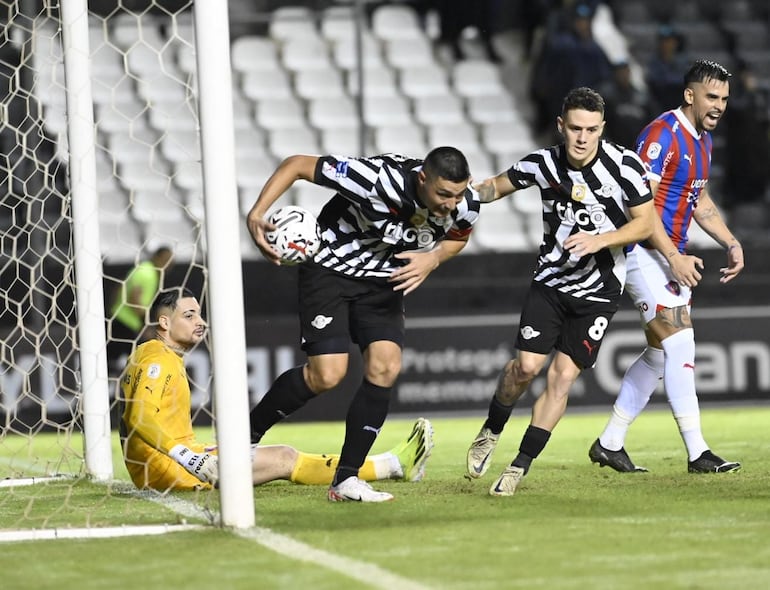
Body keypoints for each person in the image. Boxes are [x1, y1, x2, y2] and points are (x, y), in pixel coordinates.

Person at [246, 146, 479, 502]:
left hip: (383, 280)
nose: (451, 203)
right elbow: (297, 165)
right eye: (444, 194)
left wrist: (432, 260)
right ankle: (244, 437)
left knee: (386, 366)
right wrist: (257, 214)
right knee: (327, 375)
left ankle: (346, 479)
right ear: (422, 180)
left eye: (459, 194)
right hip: (330, 270)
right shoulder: (375, 179)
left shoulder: (464, 203)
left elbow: (459, 236)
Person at [464, 86, 656, 496]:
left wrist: (600, 240)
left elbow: (645, 224)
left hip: (599, 291)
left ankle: (519, 465)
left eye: (591, 129)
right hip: (551, 282)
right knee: (525, 369)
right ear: (560, 126)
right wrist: (459, 195)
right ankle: (491, 428)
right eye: (575, 128)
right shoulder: (543, 164)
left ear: (602, 128)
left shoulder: (626, 166)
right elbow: (496, 186)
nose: (583, 138)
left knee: (561, 378)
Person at [119, 287, 434, 492]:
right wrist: (189, 458)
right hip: (167, 470)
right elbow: (139, 417)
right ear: (163, 323)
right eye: (189, 316)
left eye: (200, 314)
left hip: (157, 466)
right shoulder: (157, 361)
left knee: (259, 451)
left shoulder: (150, 354)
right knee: (284, 457)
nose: (200, 322)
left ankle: (388, 463)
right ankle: (393, 465)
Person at [589, 60, 744, 474]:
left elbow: (700, 200)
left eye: (725, 99)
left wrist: (729, 241)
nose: (719, 106)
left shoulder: (703, 139)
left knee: (660, 356)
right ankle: (698, 453)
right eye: (712, 97)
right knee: (679, 344)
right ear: (689, 95)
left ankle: (609, 442)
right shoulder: (662, 135)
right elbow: (637, 206)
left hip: (669, 255)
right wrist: (672, 257)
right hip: (643, 252)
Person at [107, 246, 173, 374]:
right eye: (165, 259)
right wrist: (146, 323)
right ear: (156, 257)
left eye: (171, 261)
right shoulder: (147, 273)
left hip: (123, 320)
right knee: (142, 362)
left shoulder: (145, 269)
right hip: (125, 322)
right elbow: (134, 298)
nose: (168, 264)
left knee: (116, 361)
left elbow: (118, 287)